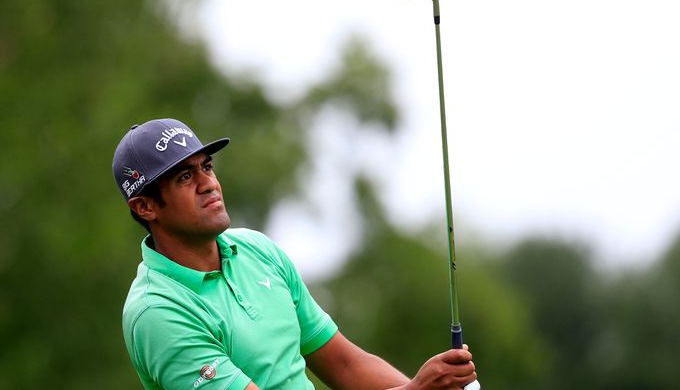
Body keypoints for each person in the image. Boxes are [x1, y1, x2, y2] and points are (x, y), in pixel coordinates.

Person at [112, 118, 478, 390]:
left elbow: (346, 365)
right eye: (185, 178)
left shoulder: (258, 251)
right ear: (145, 207)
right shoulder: (157, 312)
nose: (209, 183)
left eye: (206, 167)